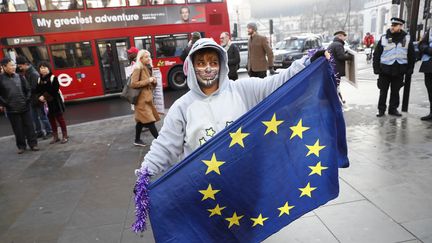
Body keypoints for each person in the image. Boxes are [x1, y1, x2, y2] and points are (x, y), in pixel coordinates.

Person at [134, 38, 329, 177]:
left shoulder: (243, 90)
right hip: (204, 191)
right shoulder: (182, 107)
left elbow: (278, 82)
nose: (208, 68)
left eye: (213, 62)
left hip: (242, 184)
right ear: (192, 67)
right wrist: (145, 173)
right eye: (201, 63)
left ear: (222, 65)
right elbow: (165, 146)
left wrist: (306, 64)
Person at [373, 17, 415, 117]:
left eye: (395, 25)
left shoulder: (407, 38)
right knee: (383, 91)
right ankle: (381, 110)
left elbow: (411, 55)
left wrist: (410, 69)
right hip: (385, 70)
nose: (392, 27)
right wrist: (376, 68)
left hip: (399, 69)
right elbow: (376, 54)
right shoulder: (384, 37)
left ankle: (393, 109)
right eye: (392, 25)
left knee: (395, 92)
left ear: (400, 26)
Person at [0, 57, 39, 154]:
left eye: (14, 65)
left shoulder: (20, 77)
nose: (14, 67)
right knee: (18, 129)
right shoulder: (0, 79)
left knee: (30, 127)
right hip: (11, 109)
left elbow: (28, 90)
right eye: (11, 65)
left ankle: (33, 144)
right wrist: (6, 104)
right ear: (4, 67)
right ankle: (21, 146)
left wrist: (27, 100)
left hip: (25, 107)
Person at [16, 56, 52, 139]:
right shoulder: (27, 72)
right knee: (34, 118)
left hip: (38, 99)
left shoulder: (33, 73)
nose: (20, 68)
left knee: (43, 117)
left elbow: (35, 88)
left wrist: (25, 91)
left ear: (25, 64)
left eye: (20, 66)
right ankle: (39, 132)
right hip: (32, 99)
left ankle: (49, 131)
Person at [129, 49, 160, 147]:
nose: (149, 58)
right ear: (141, 58)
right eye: (146, 57)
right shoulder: (138, 68)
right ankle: (160, 142)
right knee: (150, 121)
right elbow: (133, 84)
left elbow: (150, 85)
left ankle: (137, 140)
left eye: (149, 56)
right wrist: (148, 80)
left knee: (141, 121)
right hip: (141, 100)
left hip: (146, 99)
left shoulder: (147, 67)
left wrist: (154, 82)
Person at [36, 61, 69, 144]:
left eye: (44, 67)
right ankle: (55, 136)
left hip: (55, 102)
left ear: (48, 68)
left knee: (60, 119)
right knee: (51, 120)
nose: (43, 69)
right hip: (46, 104)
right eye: (41, 68)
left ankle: (65, 136)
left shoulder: (53, 77)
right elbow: (37, 90)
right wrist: (40, 97)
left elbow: (55, 89)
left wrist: (44, 96)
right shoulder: (39, 79)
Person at [327, 30, 353, 103]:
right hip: (336, 70)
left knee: (336, 86)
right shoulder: (338, 45)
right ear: (340, 36)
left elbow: (337, 55)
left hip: (332, 69)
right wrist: (350, 56)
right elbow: (341, 57)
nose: (345, 38)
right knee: (336, 86)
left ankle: (340, 100)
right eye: (344, 36)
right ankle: (337, 102)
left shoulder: (333, 44)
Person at [418, 28, 432, 121]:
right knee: (430, 90)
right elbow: (422, 44)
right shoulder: (430, 30)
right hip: (429, 66)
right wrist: (428, 49)